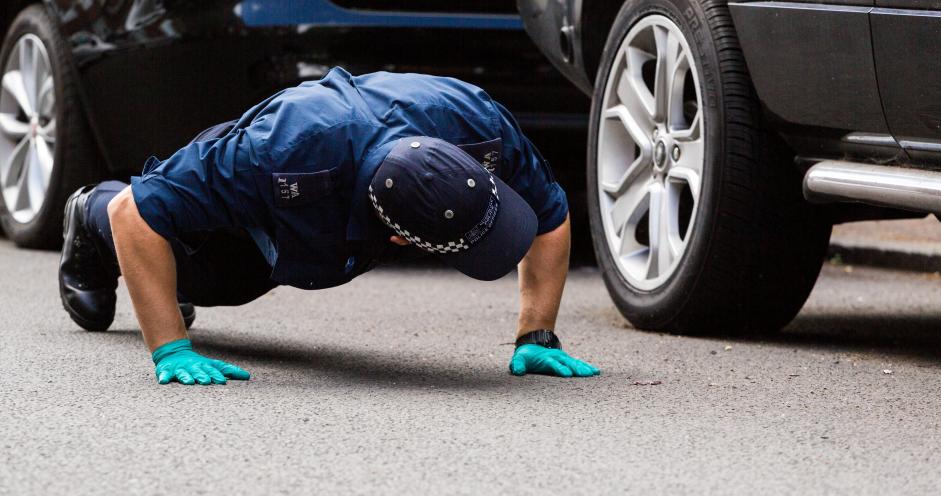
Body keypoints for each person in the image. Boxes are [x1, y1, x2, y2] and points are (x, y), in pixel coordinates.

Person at [59, 68, 599, 385]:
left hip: (345, 169)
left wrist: (537, 332)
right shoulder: (275, 152)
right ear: (400, 239)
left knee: (207, 275)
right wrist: (170, 348)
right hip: (255, 214)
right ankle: (84, 210)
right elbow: (136, 215)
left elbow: (549, 214)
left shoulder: (477, 122)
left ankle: (160, 273)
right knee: (217, 281)